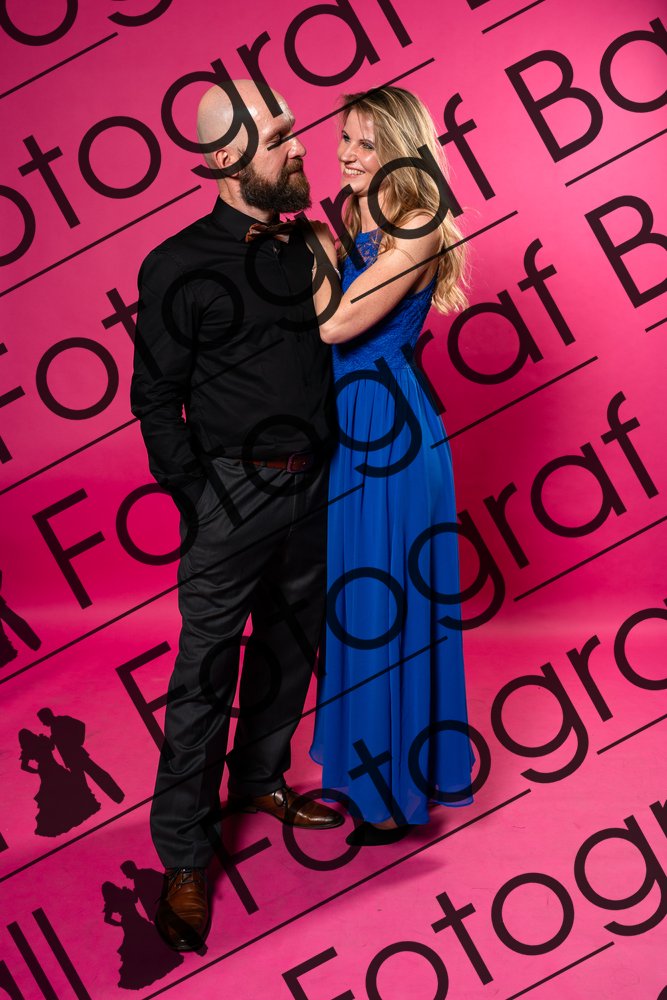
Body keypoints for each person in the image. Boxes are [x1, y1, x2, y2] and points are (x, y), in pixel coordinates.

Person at [130, 79, 342, 952]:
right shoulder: (175, 265)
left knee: (291, 647)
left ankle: (260, 779)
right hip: (232, 492)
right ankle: (184, 857)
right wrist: (201, 500)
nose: (301, 146)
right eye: (280, 136)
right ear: (225, 159)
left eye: (295, 131)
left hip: (317, 485)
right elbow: (155, 400)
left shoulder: (306, 247)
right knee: (204, 676)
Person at [308, 86, 476, 846]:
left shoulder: (417, 223)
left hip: (391, 434)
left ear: (401, 152)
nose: (346, 153)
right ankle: (369, 772)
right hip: (353, 427)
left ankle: (394, 796)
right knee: (358, 604)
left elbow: (337, 324)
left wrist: (312, 249)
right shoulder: (361, 214)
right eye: (344, 137)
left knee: (387, 608)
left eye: (366, 142)